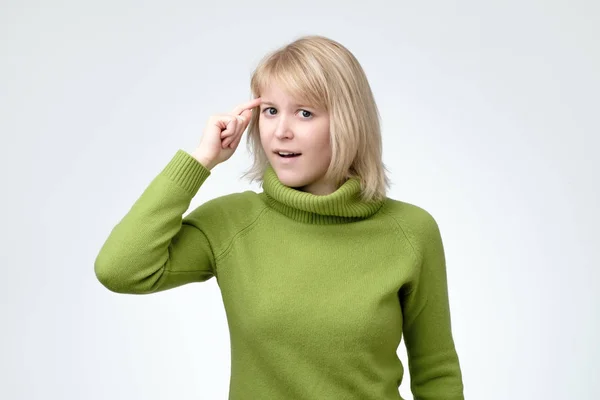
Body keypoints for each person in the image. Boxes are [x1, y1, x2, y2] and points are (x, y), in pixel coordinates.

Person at [95, 35, 465, 400]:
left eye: (304, 113)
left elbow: (436, 372)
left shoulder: (411, 232)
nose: (281, 132)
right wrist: (199, 161)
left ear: (348, 122)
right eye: (270, 111)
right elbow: (121, 269)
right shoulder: (232, 223)